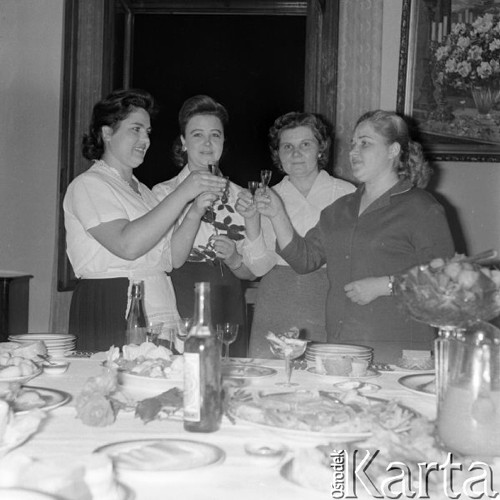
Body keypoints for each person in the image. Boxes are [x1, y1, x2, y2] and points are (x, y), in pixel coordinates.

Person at [248, 110, 455, 362]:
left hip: (398, 346)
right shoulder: (339, 209)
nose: (354, 152)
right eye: (353, 144)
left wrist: (386, 285)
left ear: (393, 150)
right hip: (341, 344)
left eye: (365, 143)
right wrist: (277, 213)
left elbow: (446, 278)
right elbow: (304, 261)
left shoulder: (421, 206)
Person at [64, 89, 226, 351]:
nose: (145, 139)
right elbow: (127, 246)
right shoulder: (89, 184)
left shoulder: (144, 192)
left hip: (157, 302)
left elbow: (173, 259)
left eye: (147, 132)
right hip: (113, 302)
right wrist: (183, 191)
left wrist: (194, 210)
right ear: (107, 133)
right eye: (135, 130)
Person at [235, 112, 355, 358]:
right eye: (287, 146)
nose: (296, 153)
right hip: (276, 301)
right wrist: (252, 220)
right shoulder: (269, 195)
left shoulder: (346, 194)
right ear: (277, 153)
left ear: (320, 149)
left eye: (305, 145)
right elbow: (258, 268)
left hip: (326, 300)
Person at [153, 95, 251, 357]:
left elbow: (251, 270)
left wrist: (234, 258)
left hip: (228, 302)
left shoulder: (241, 196)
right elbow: (168, 259)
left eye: (215, 135)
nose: (207, 143)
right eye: (197, 135)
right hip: (179, 299)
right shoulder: (163, 194)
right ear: (183, 142)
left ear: (223, 142)